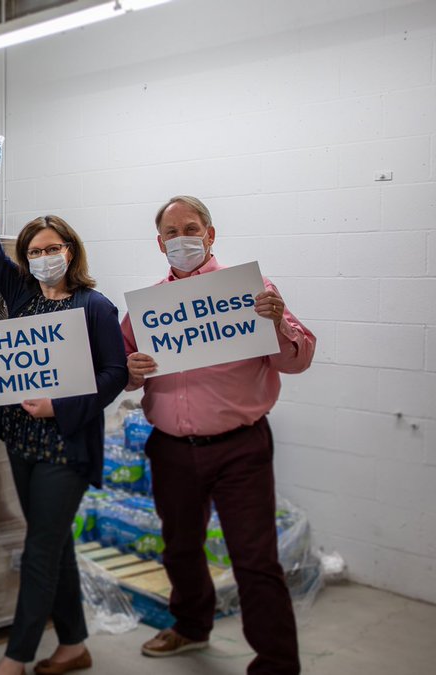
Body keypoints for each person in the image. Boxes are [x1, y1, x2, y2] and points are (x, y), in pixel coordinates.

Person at [122, 195, 315, 675]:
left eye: (191, 228)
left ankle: (276, 662)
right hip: (170, 448)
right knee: (180, 547)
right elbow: (122, 372)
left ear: (210, 234)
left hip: (239, 448)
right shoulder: (148, 307)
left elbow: (297, 360)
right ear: (160, 242)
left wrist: (275, 321)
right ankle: (190, 626)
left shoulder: (254, 293)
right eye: (171, 232)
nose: (181, 239)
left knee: (255, 559)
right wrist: (130, 371)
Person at [0, 168, 127, 675]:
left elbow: (114, 374)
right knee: (52, 543)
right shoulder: (22, 296)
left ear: (70, 252)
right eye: (34, 251)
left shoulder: (95, 307)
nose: (43, 257)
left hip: (66, 446)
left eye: (51, 248)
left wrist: (60, 406)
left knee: (38, 549)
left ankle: (17, 656)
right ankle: (74, 645)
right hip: (20, 439)